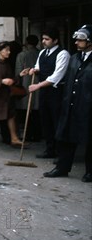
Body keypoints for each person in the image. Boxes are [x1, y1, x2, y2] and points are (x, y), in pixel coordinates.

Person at [44, 25, 92, 182]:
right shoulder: (74, 58)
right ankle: (62, 167)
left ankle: (90, 171)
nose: (77, 42)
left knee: (89, 139)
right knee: (66, 137)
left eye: (81, 40)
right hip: (71, 104)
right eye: (76, 39)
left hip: (87, 106)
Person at [23, 29, 69, 159]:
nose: (43, 41)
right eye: (43, 38)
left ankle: (61, 153)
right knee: (46, 120)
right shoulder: (43, 52)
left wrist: (37, 85)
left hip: (57, 91)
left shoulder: (63, 54)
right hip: (44, 91)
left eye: (47, 39)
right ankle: (50, 149)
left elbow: (57, 76)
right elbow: (39, 67)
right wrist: (33, 70)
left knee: (57, 121)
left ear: (55, 40)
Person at [14, 35, 41, 141]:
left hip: (26, 85)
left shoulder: (22, 55)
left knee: (26, 111)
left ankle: (28, 134)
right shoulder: (40, 54)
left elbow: (18, 71)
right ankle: (37, 134)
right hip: (38, 85)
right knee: (36, 111)